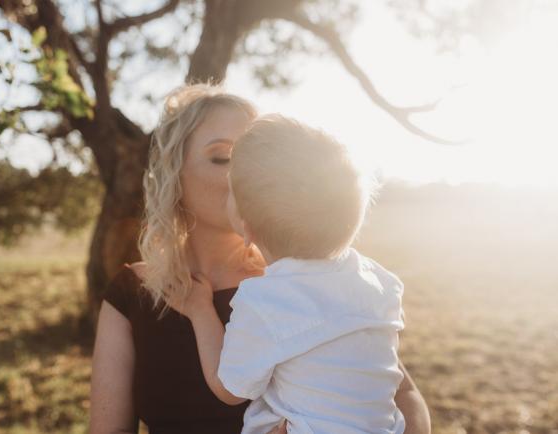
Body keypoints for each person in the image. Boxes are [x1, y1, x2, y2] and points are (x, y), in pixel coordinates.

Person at [89, 84, 432, 434]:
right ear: (174, 172)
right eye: (223, 158)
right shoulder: (132, 293)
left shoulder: (310, 278)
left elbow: (401, 393)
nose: (247, 175)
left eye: (257, 160)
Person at [169, 114, 406, 434]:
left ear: (246, 228)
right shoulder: (380, 281)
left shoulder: (265, 300)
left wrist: (200, 312)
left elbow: (230, 390)